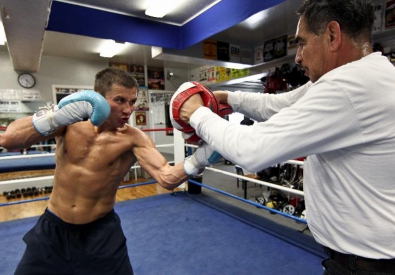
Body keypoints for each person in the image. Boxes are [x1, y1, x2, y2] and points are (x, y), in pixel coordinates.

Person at [178, 0, 395, 274]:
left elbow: (252, 150)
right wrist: (227, 98)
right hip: (364, 258)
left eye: (302, 43)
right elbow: (280, 104)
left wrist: (195, 112)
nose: (298, 57)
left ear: (332, 35)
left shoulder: (347, 87)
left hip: (366, 266)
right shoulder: (366, 75)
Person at [0, 67, 218, 275]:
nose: (128, 110)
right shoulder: (69, 125)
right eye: (120, 100)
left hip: (101, 235)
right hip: (52, 230)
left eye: (132, 102)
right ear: (98, 98)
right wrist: (59, 114)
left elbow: (166, 177)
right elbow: (9, 139)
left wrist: (201, 157)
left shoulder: (134, 139)